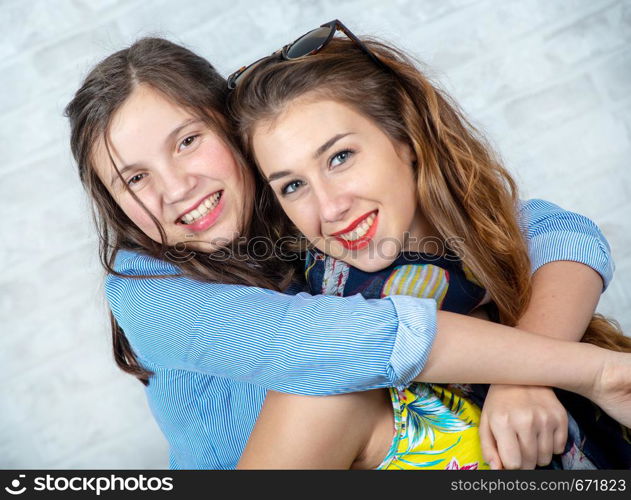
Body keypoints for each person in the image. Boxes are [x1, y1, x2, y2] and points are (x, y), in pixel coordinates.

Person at [65, 36, 630, 470]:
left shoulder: (306, 216)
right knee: (331, 395)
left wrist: (523, 377)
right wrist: (590, 371)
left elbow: (548, 230)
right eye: (134, 179)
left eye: (188, 141)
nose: (175, 188)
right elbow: (333, 343)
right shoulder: (145, 288)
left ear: (235, 132)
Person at [228, 21, 631, 469]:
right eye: (293, 186)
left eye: (339, 157)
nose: (330, 207)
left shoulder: (504, 251)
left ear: (406, 137)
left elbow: (560, 231)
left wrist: (522, 379)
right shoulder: (321, 363)